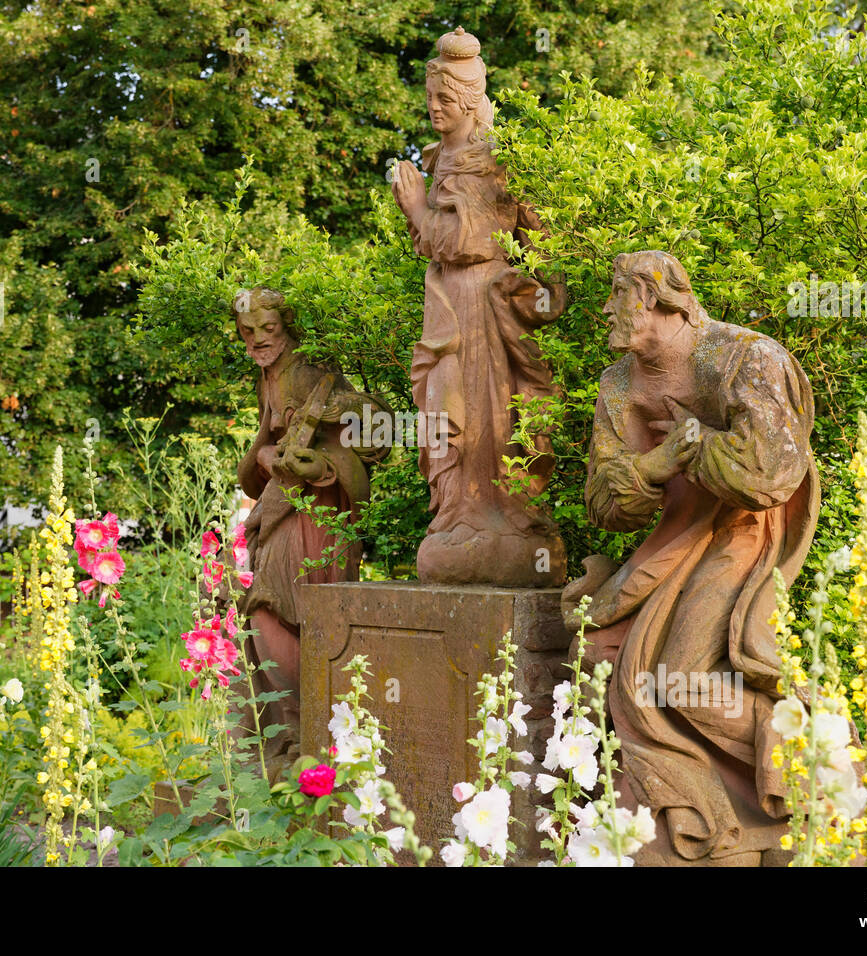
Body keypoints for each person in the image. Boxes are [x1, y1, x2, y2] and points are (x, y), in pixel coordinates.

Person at [562, 250, 821, 864]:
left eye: (616, 294)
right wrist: (654, 466)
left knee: (682, 678)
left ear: (656, 298)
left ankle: (800, 764)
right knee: (599, 647)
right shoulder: (618, 384)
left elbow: (773, 472)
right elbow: (604, 503)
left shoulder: (744, 356)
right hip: (670, 543)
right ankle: (686, 813)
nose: (605, 309)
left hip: (740, 535)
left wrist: (698, 446)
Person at [390, 27, 567, 587]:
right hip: (448, 303)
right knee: (445, 410)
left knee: (495, 411)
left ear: (468, 100)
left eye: (444, 99)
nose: (434, 109)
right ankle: (457, 514)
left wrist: (418, 211)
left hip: (488, 304)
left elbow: (472, 242)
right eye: (430, 100)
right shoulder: (438, 156)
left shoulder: (495, 159)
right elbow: (444, 245)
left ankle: (505, 518)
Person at [233, 287, 388, 769]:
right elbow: (258, 458)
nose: (258, 340)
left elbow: (375, 433)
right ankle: (293, 733)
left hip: (316, 515)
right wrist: (264, 455)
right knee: (270, 612)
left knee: (283, 610)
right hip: (285, 508)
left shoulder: (307, 373)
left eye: (269, 329)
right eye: (248, 331)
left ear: (287, 327)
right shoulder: (270, 378)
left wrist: (318, 463)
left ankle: (310, 732)